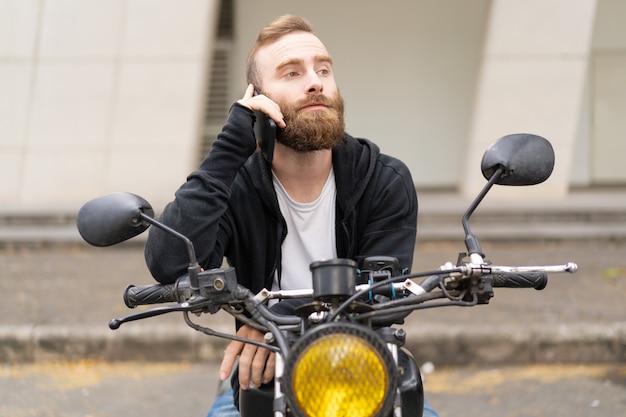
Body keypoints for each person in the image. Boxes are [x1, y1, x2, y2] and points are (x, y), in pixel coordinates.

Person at [144, 14, 438, 417]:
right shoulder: (234, 186)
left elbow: (383, 295)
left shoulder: (384, 179)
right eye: (292, 73)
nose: (315, 81)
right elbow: (169, 262)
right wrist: (232, 144)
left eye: (323, 69)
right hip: (265, 378)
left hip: (364, 373)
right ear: (258, 100)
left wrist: (272, 322)